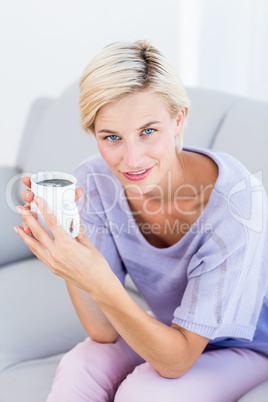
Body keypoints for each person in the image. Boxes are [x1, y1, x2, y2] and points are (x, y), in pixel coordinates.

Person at [15, 40, 268, 402]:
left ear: (178, 119)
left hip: (246, 343)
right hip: (170, 325)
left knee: (145, 392)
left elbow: (176, 361)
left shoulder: (237, 207)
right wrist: (69, 245)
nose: (131, 160)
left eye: (148, 131)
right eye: (112, 137)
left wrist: (99, 280)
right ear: (94, 134)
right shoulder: (93, 184)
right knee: (78, 367)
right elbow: (102, 330)